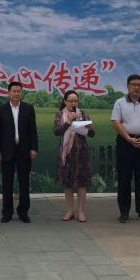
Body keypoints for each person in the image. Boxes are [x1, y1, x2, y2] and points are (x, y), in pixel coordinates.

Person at [111, 74, 140, 223]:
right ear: (128, 86)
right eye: (133, 84)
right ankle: (124, 212)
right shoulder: (119, 103)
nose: (136, 87)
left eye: (139, 85)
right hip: (125, 143)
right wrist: (128, 138)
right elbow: (116, 122)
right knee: (124, 177)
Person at [0, 81, 38, 223]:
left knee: (24, 182)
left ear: (21, 93)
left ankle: (23, 211)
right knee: (7, 183)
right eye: (14, 91)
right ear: (8, 93)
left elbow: (33, 130)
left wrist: (34, 148)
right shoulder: (1, 110)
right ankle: (7, 212)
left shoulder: (28, 108)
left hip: (24, 150)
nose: (16, 93)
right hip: (7, 150)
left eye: (19, 91)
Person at [54, 90, 95, 223]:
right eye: (71, 101)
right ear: (65, 101)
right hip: (66, 153)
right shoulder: (60, 114)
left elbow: (92, 134)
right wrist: (68, 121)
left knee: (82, 183)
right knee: (67, 183)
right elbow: (57, 131)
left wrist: (90, 128)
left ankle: (81, 212)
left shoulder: (83, 114)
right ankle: (70, 211)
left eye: (75, 101)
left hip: (81, 153)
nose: (73, 103)